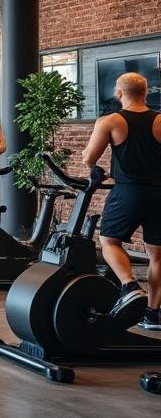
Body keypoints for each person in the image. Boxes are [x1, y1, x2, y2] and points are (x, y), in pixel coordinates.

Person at [82, 72, 161, 328]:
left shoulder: (110, 121)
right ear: (145, 93)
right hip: (159, 193)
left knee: (109, 241)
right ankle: (152, 314)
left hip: (128, 192)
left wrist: (94, 168)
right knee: (157, 256)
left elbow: (89, 157)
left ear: (118, 93)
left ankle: (129, 286)